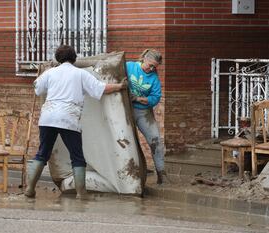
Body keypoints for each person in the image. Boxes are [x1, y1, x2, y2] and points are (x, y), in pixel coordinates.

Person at [25, 45, 127, 199]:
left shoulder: (50, 72)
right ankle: (81, 193)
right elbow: (100, 89)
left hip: (48, 117)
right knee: (77, 156)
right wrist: (120, 86)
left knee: (43, 153)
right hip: (68, 118)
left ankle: (30, 189)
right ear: (74, 58)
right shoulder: (80, 74)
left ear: (58, 59)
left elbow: (37, 88)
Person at [126, 49, 169, 184]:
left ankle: (161, 173)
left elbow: (155, 98)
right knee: (126, 142)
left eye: (154, 67)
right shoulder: (129, 66)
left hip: (143, 112)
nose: (151, 69)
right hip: (125, 109)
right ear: (143, 58)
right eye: (149, 65)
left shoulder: (154, 79)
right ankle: (130, 175)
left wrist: (138, 99)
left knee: (156, 141)